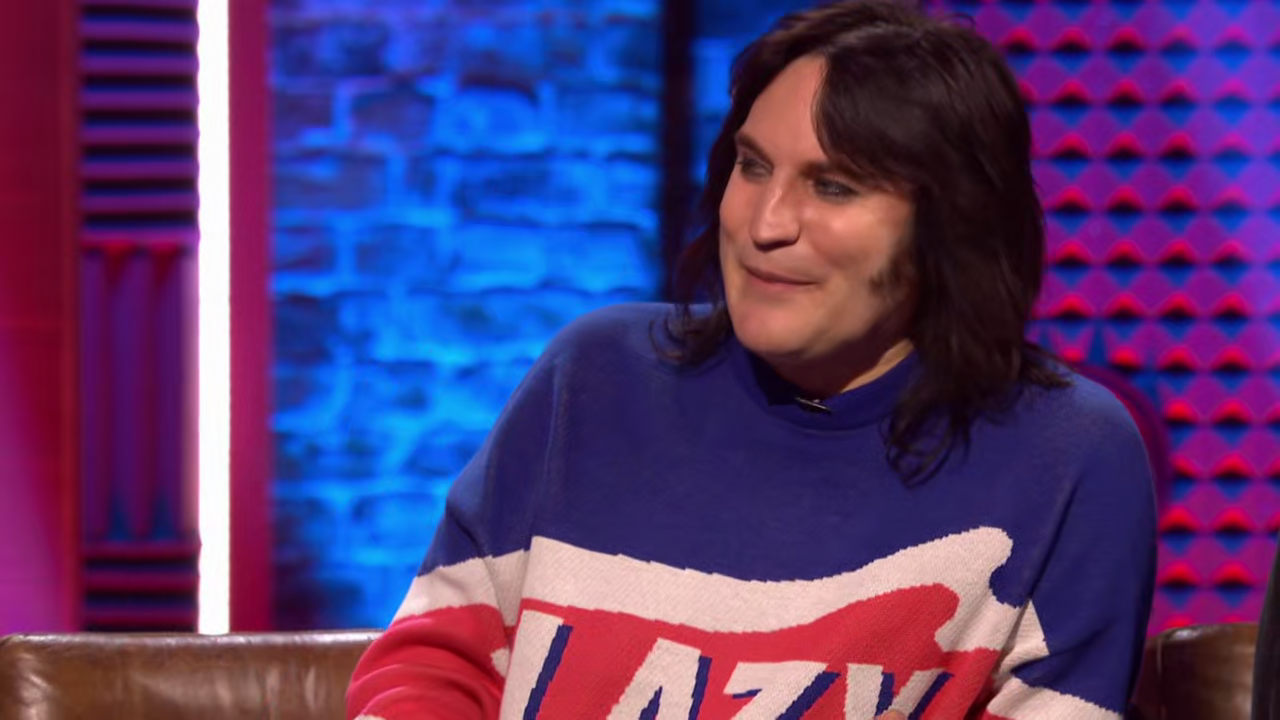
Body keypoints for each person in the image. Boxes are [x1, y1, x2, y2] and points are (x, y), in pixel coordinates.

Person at [346, 1, 1158, 717]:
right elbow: (433, 665)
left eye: (833, 187)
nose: (766, 224)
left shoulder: (1066, 456)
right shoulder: (594, 378)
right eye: (753, 165)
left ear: (951, 223)